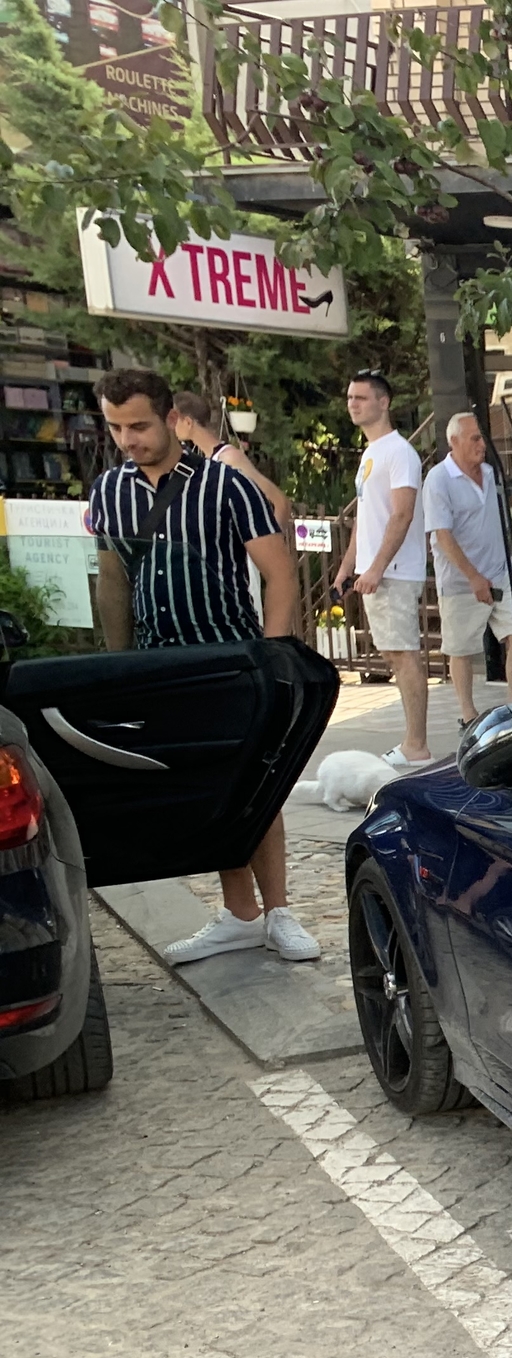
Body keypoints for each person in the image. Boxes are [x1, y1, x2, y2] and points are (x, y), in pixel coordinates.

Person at [87, 367, 320, 964]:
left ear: (170, 419)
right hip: (160, 666)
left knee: (257, 787)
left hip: (232, 657)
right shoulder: (109, 490)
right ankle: (239, 914)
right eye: (115, 427)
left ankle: (279, 911)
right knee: (206, 792)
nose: (127, 439)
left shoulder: (225, 485)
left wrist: (274, 654)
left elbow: (280, 573)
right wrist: (119, 668)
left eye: (138, 425)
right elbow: (113, 579)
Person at [332, 371, 433, 767]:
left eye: (361, 397)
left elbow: (402, 514)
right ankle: (413, 741)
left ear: (383, 402)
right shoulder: (370, 454)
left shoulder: (398, 452)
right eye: (350, 397)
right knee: (393, 652)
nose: (353, 403)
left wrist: (376, 567)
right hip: (376, 570)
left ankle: (416, 745)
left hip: (394, 571)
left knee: (403, 653)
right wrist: (347, 567)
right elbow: (365, 517)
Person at [423, 409, 512, 724]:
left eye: (481, 437)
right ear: (454, 441)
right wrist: (473, 577)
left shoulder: (490, 473)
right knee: (460, 648)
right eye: (475, 438)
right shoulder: (439, 479)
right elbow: (443, 535)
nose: (482, 444)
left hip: (500, 574)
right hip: (461, 582)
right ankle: (468, 714)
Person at [168, 390, 294, 526]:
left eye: (175, 420)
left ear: (187, 422)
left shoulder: (229, 458)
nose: (171, 426)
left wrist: (271, 545)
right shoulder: (204, 460)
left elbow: (281, 502)